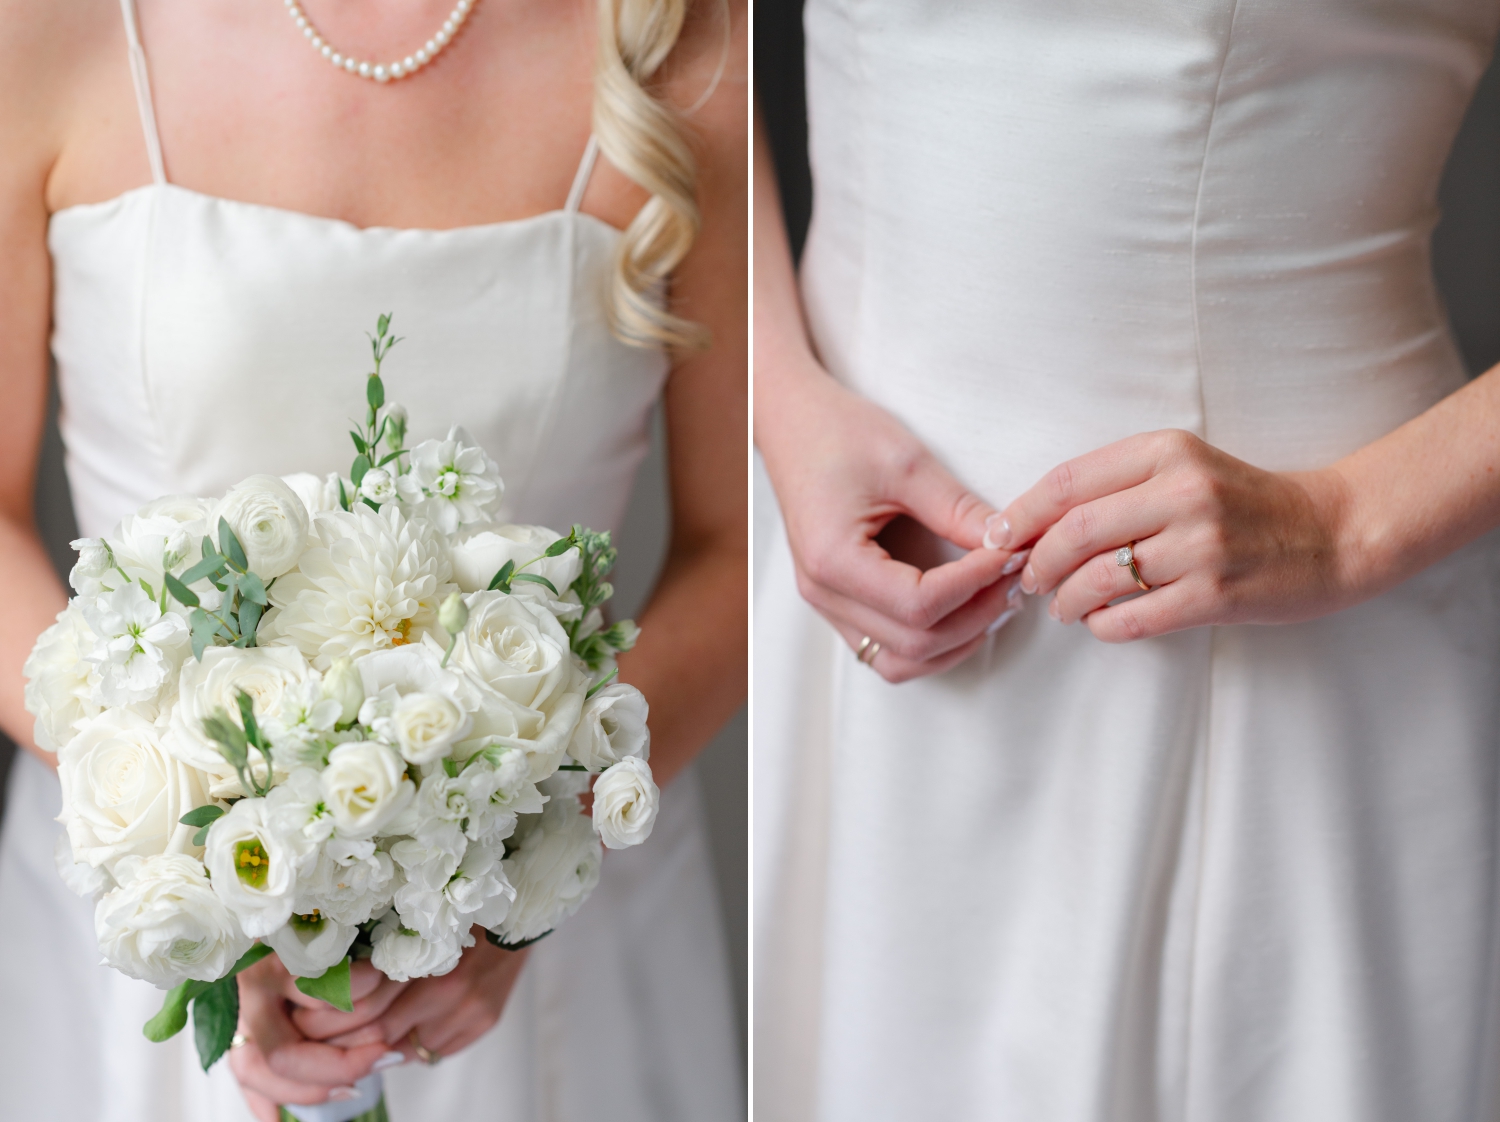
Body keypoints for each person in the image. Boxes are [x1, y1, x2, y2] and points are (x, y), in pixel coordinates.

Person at [0, 0, 746, 1119]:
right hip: (140, 897)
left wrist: (519, 883)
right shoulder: (54, 26)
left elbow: (741, 545)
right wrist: (209, 875)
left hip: (557, 945)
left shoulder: (680, 41)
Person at [754, 1, 1500, 1119]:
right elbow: (671, 40)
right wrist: (773, 393)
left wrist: (1352, 520)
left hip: (1306, 638)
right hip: (860, 594)